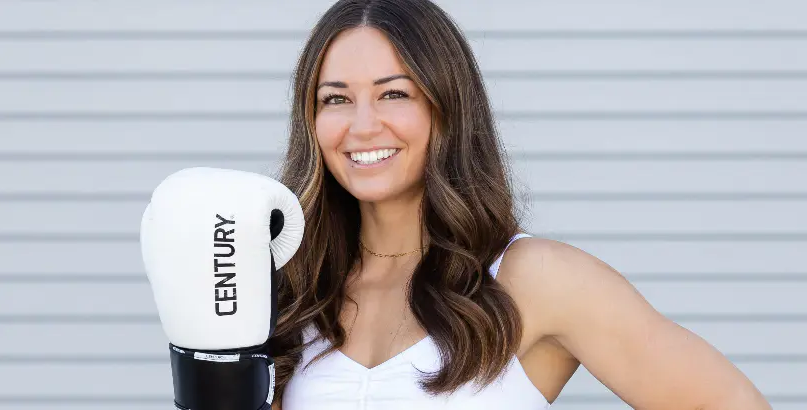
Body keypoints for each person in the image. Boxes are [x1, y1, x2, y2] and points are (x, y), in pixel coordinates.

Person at [265, 0, 773, 408]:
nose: (362, 125)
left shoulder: (534, 277)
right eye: (336, 99)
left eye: (394, 94)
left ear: (446, 107)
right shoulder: (291, 287)